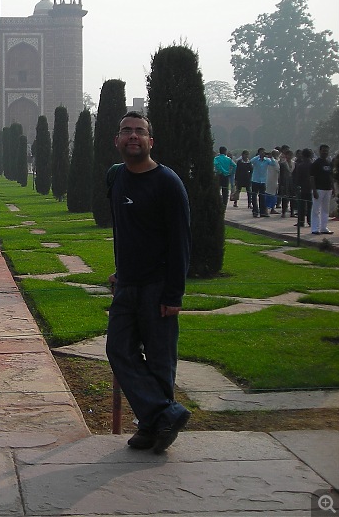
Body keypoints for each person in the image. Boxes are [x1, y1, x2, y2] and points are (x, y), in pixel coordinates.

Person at [106, 111, 192, 454]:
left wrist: (174, 293)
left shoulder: (167, 182)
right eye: (126, 131)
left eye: (139, 131)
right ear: (117, 140)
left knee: (159, 360)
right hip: (128, 284)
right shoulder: (115, 178)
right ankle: (164, 415)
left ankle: (151, 426)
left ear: (150, 141)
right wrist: (119, 270)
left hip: (158, 286)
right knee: (118, 349)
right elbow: (125, 229)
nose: (132, 136)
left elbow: (180, 241)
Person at [310, 144, 334, 235]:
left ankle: (324, 227)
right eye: (323, 150)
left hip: (328, 189)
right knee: (316, 209)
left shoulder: (329, 162)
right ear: (320, 151)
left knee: (325, 209)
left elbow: (330, 176)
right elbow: (312, 178)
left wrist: (333, 188)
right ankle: (315, 228)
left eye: (327, 151)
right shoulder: (315, 164)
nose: (325, 152)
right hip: (319, 189)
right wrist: (314, 190)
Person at [250, 148, 276, 217]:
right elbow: (251, 161)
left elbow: (273, 164)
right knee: (254, 196)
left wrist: (271, 157)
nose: (263, 154)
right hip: (255, 180)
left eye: (264, 153)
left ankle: (262, 212)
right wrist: (258, 156)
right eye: (261, 152)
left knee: (262, 197)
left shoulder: (267, 160)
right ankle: (255, 211)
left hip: (263, 181)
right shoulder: (256, 160)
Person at [293, 148, 313, 229]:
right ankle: (310, 221)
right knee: (310, 206)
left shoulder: (300, 165)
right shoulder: (312, 165)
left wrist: (296, 185)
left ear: (303, 155)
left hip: (302, 188)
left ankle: (301, 221)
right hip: (311, 187)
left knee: (301, 206)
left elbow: (297, 178)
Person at [279, 149, 296, 218]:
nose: (289, 156)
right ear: (286, 156)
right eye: (288, 155)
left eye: (291, 155)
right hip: (285, 182)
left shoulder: (294, 163)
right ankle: (283, 212)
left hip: (292, 182)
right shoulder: (282, 164)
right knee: (285, 198)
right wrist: (281, 184)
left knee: (293, 198)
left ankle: (292, 212)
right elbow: (281, 175)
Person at [265, 149, 281, 213]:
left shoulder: (268, 160)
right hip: (272, 180)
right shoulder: (274, 161)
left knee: (271, 194)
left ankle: (270, 208)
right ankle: (270, 208)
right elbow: (278, 169)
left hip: (271, 179)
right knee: (271, 194)